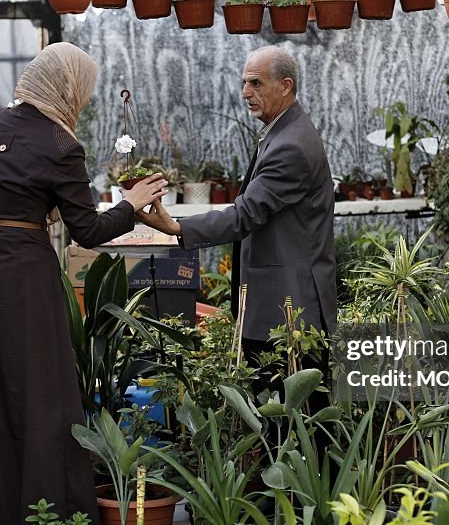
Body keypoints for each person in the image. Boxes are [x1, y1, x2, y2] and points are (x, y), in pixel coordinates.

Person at [0, 43, 167, 525]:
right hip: (23, 274)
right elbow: (88, 230)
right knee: (40, 392)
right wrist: (130, 204)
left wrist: (1, 184)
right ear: (69, 89)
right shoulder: (62, 144)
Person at [137, 45, 336, 364]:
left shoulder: (291, 146)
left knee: (287, 412)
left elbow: (245, 215)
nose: (245, 92)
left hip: (288, 314)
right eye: (244, 82)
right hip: (282, 310)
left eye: (256, 83)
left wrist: (177, 227)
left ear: (285, 86)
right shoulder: (284, 132)